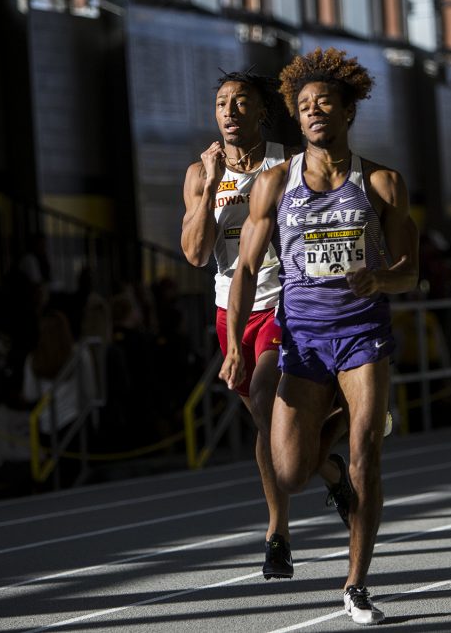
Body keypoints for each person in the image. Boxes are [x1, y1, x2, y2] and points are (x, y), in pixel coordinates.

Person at [220, 48, 419, 625]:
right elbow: (247, 270)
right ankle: (344, 437)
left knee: (367, 458)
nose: (312, 112)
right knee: (289, 472)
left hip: (362, 334)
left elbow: (410, 272)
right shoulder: (274, 185)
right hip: (302, 338)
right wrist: (234, 343)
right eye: (303, 105)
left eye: (324, 102)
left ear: (348, 111)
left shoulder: (381, 183)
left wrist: (379, 277)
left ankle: (356, 585)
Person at [182, 70, 314, 579]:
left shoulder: (289, 162)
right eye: (221, 104)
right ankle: (327, 470)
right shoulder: (200, 173)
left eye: (241, 103)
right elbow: (195, 255)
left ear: (262, 112)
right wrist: (213, 186)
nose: (230, 112)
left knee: (263, 399)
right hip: (230, 310)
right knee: (266, 422)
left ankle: (276, 533)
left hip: (288, 301)